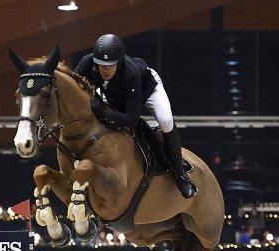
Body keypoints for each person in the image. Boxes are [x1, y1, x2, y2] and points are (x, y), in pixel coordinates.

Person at [75, 34, 197, 198]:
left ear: (119, 62)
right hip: (114, 94)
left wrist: (105, 112)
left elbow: (132, 117)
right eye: (101, 65)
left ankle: (180, 175)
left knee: (166, 120)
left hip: (147, 90)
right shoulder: (86, 63)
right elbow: (75, 89)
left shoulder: (131, 74)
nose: (105, 70)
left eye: (110, 65)